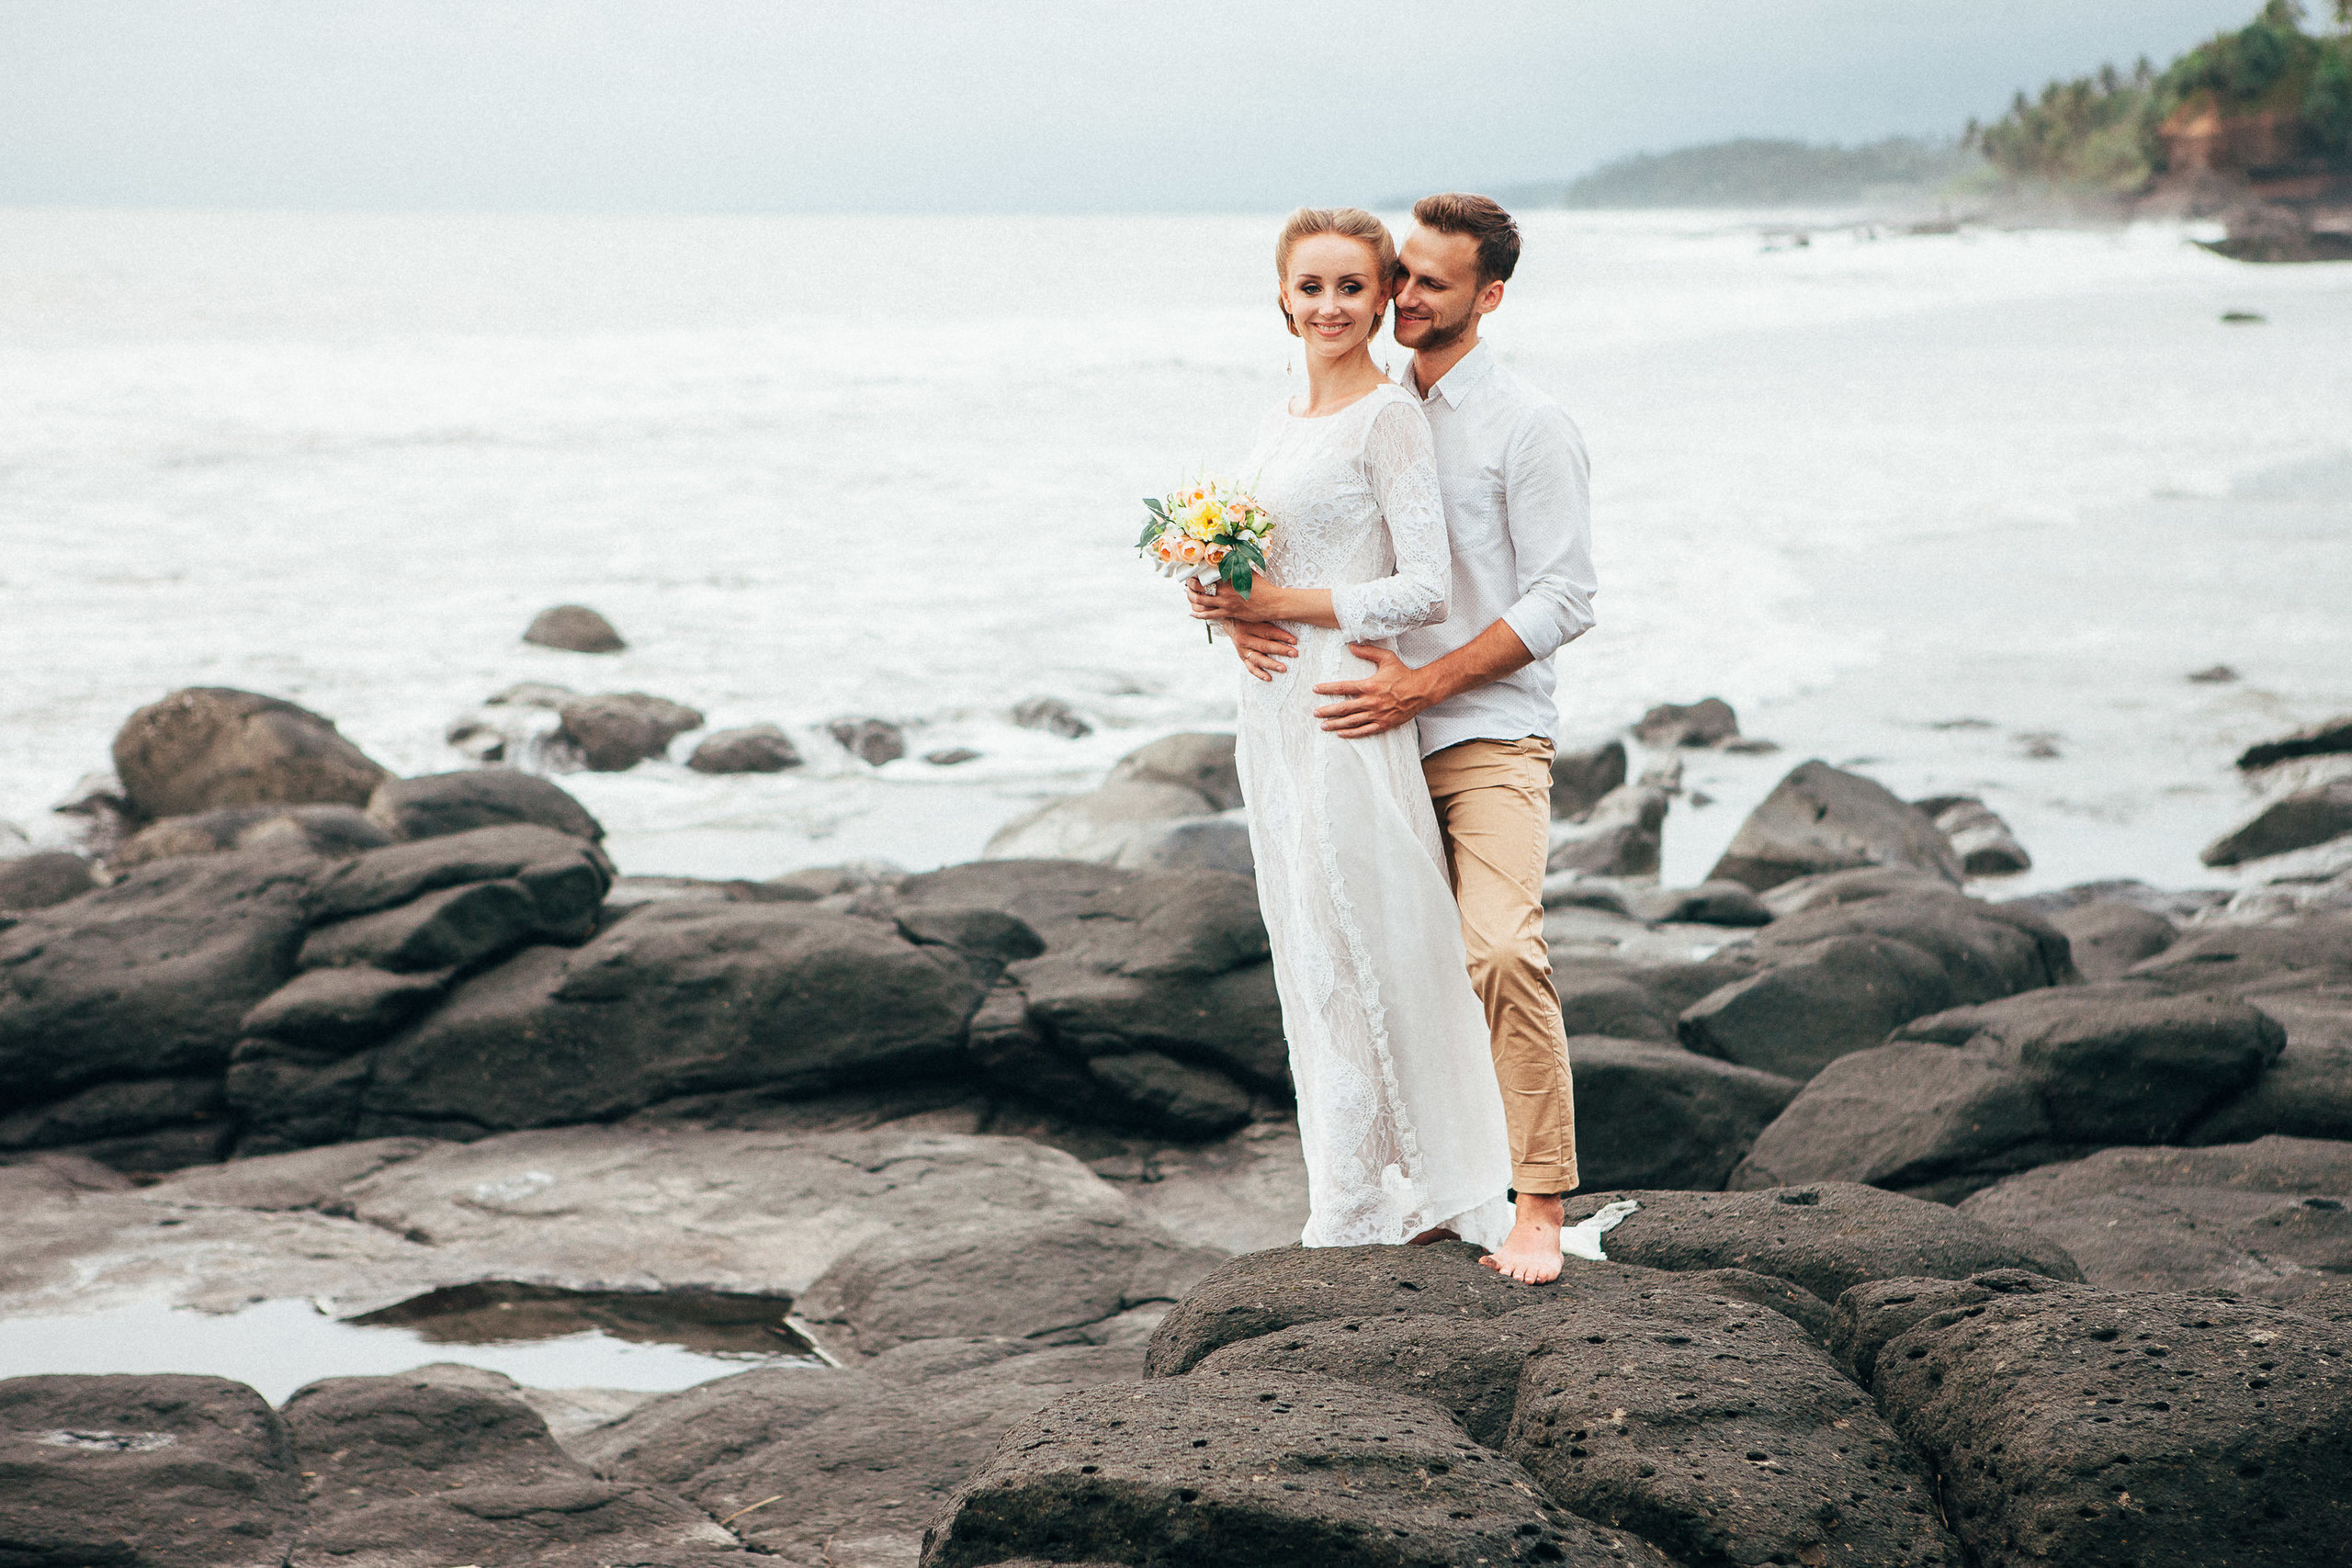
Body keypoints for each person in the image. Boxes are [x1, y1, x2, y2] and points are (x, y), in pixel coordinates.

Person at [1196, 195, 1596, 1284]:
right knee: (1347, 957)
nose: (1405, 297)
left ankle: (1540, 1210)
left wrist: (1424, 684)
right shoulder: (1347, 403)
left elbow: (1565, 597)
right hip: (1351, 722)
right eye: (1401, 275)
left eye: (1429, 282)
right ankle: (1383, 1188)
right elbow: (1286, 560)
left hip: (1476, 729)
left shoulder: (1528, 425)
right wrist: (1238, 611)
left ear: (1489, 297)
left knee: (1500, 949)